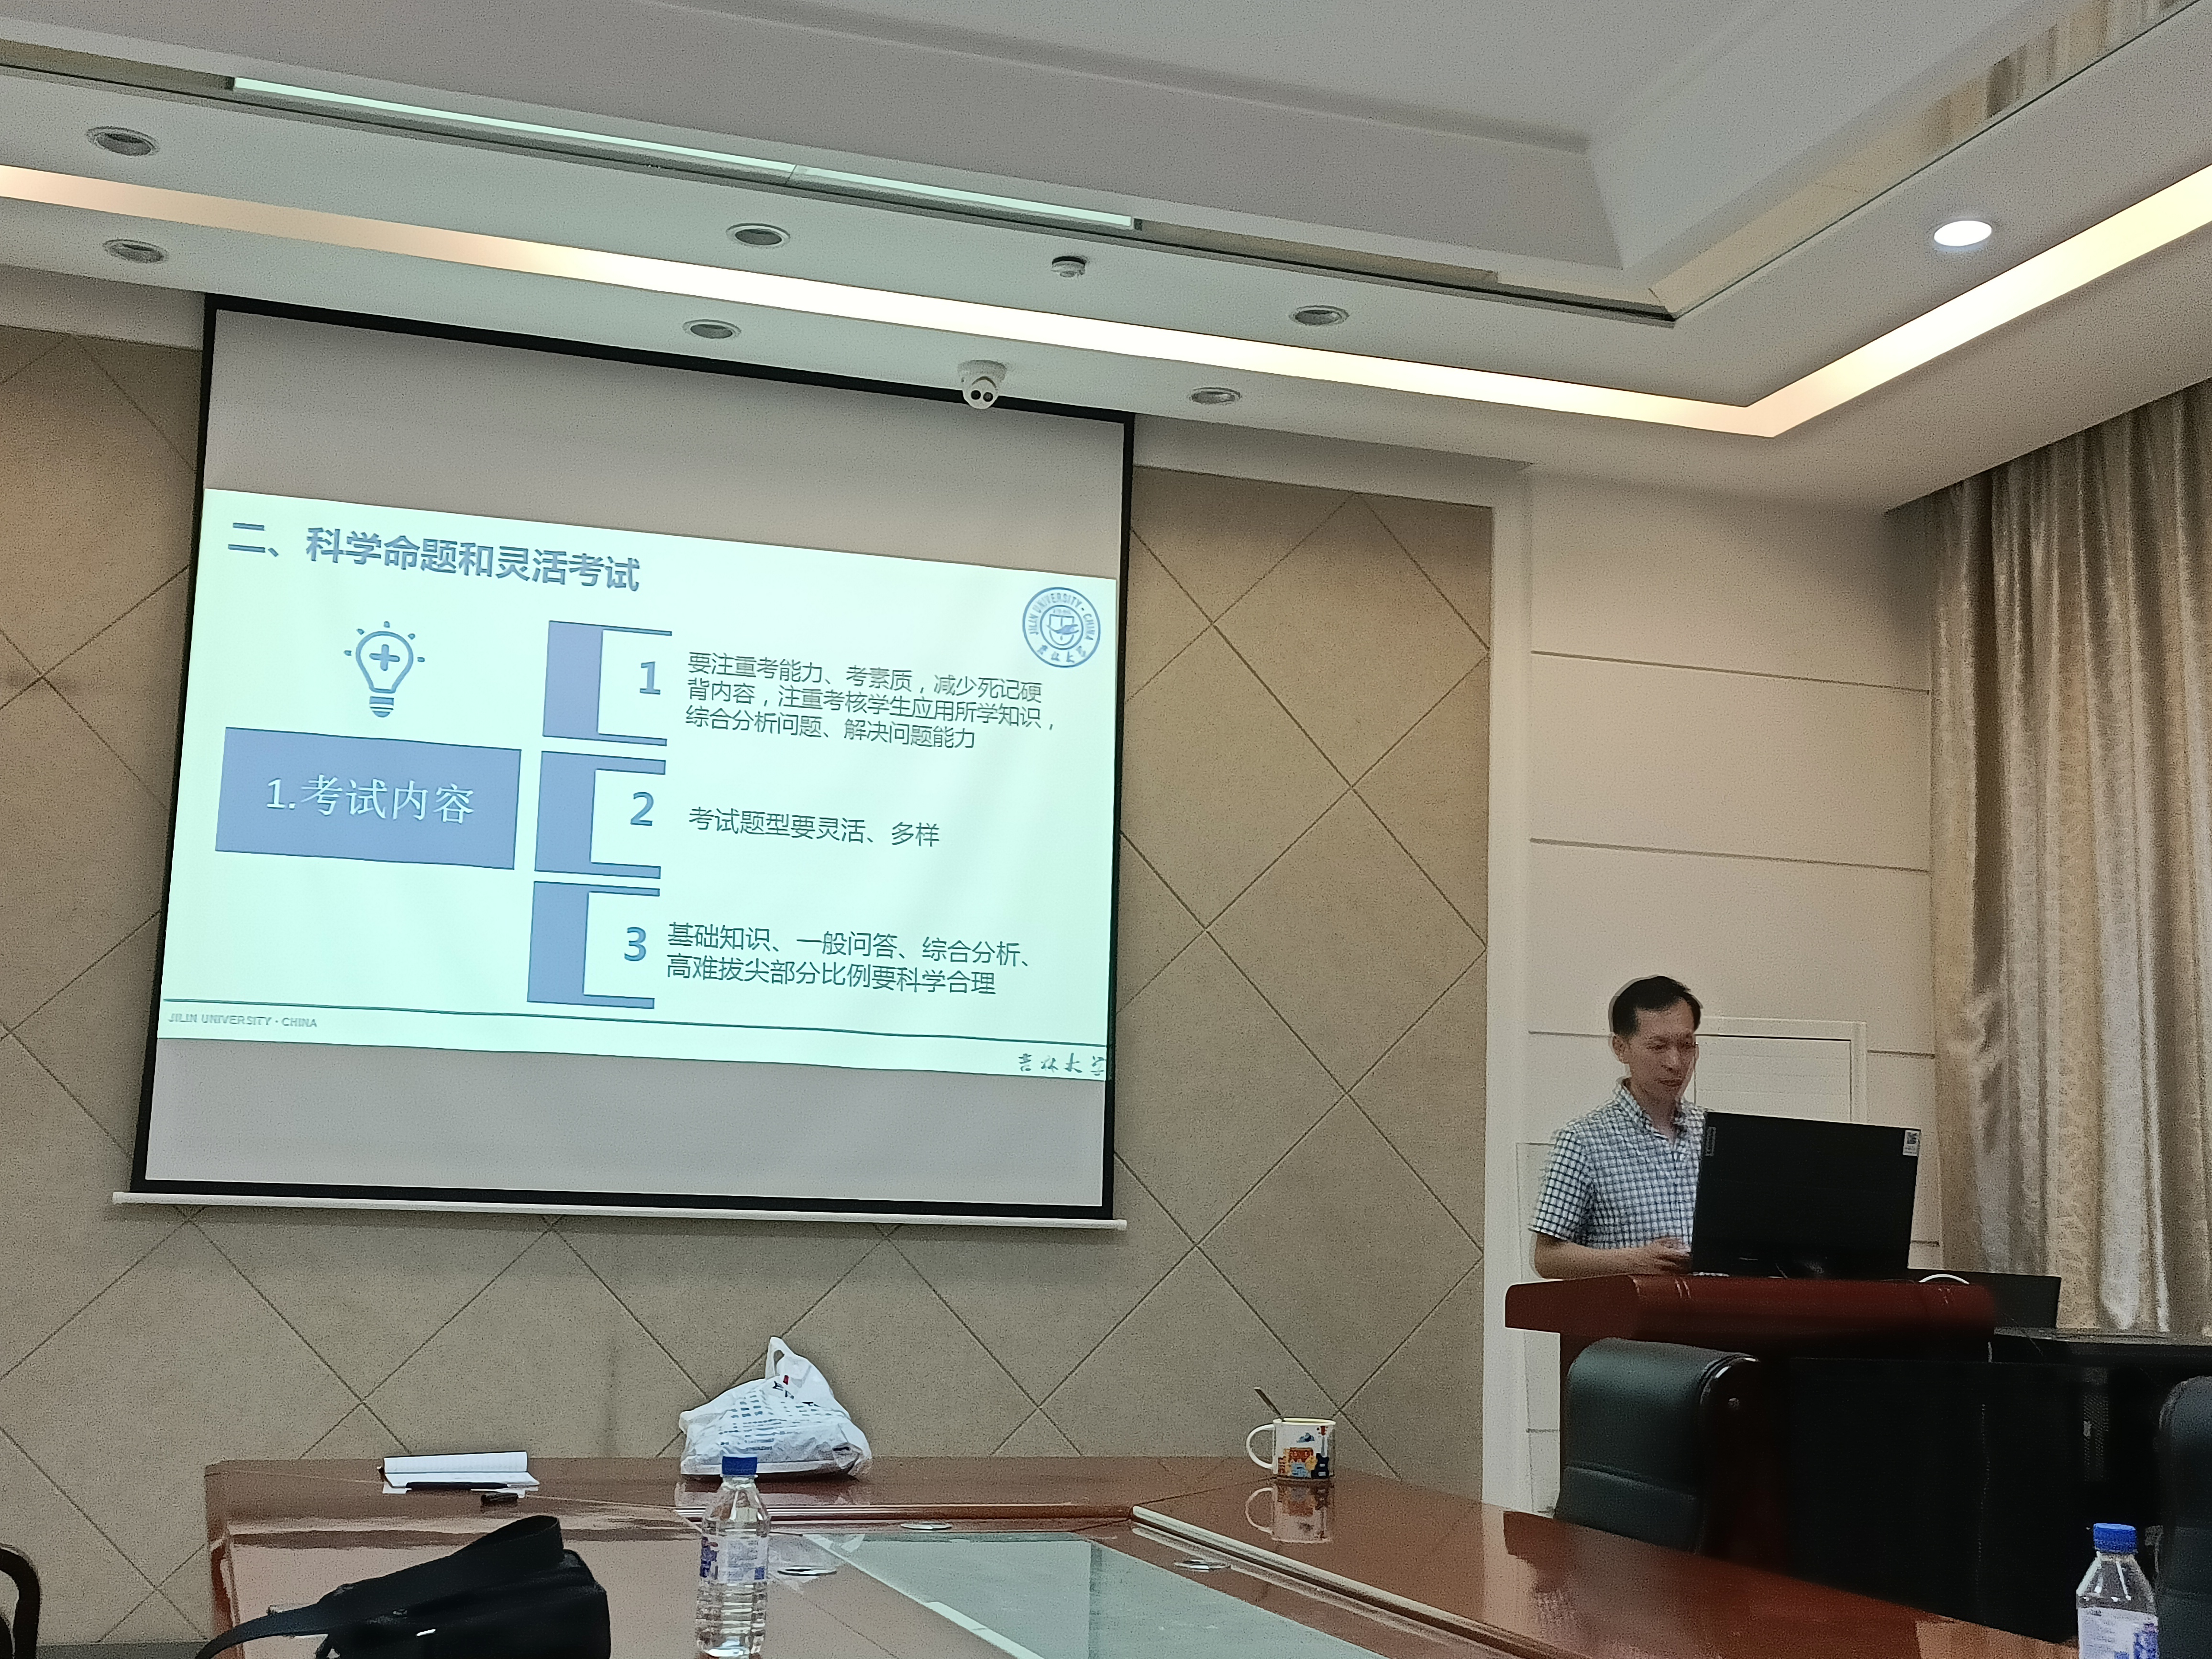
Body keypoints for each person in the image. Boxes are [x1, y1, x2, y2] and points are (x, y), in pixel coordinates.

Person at [1529, 975, 1704, 1280]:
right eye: (1658, 1047)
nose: (1675, 1062)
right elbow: (1547, 1258)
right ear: (1621, 1048)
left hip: (1717, 1310)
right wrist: (1633, 1261)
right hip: (1630, 1311)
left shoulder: (1715, 1134)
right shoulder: (1583, 1141)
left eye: (1686, 1046)